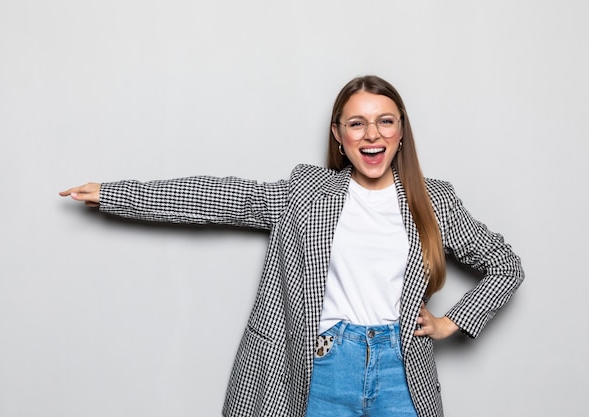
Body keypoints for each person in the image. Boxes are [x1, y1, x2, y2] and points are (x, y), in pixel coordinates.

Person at [60, 75, 524, 417]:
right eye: (357, 124)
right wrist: (114, 194)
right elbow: (221, 198)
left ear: (401, 131)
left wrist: (451, 322)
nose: (372, 134)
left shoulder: (433, 200)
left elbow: (505, 265)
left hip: (401, 371)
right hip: (322, 367)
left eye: (385, 121)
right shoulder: (305, 194)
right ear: (339, 137)